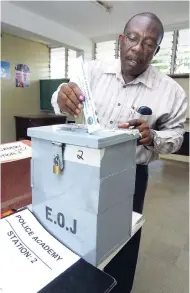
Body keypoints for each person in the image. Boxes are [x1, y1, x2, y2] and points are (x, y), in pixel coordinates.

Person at [51, 12, 187, 293]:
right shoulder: (90, 71)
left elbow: (176, 136)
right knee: (77, 230)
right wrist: (60, 98)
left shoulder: (172, 92)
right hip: (82, 167)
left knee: (122, 241)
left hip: (130, 174)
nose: (139, 48)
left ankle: (117, 287)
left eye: (149, 43)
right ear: (121, 40)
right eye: (134, 38)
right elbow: (61, 97)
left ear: (157, 50)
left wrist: (153, 137)